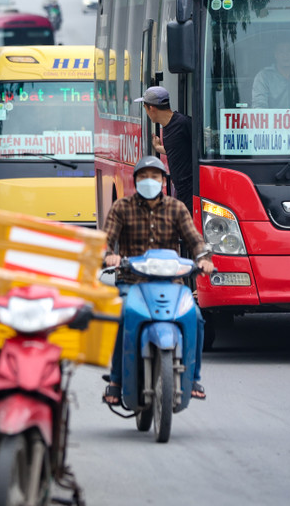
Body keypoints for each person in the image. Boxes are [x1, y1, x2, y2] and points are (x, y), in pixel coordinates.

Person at [101, 156, 214, 405]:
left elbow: (195, 239)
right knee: (122, 317)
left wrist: (204, 258)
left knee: (195, 317)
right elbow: (106, 239)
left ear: (164, 181)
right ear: (135, 181)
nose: (149, 181)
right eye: (143, 177)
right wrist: (108, 255)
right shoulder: (122, 207)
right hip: (132, 282)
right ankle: (116, 380)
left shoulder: (176, 208)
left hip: (171, 284)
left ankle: (193, 377)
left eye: (155, 176)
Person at [134, 86, 193, 213]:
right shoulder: (167, 127)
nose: (147, 113)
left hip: (191, 192)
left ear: (152, 108)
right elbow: (177, 150)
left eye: (145, 108)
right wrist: (158, 147)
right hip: (180, 191)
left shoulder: (184, 123)